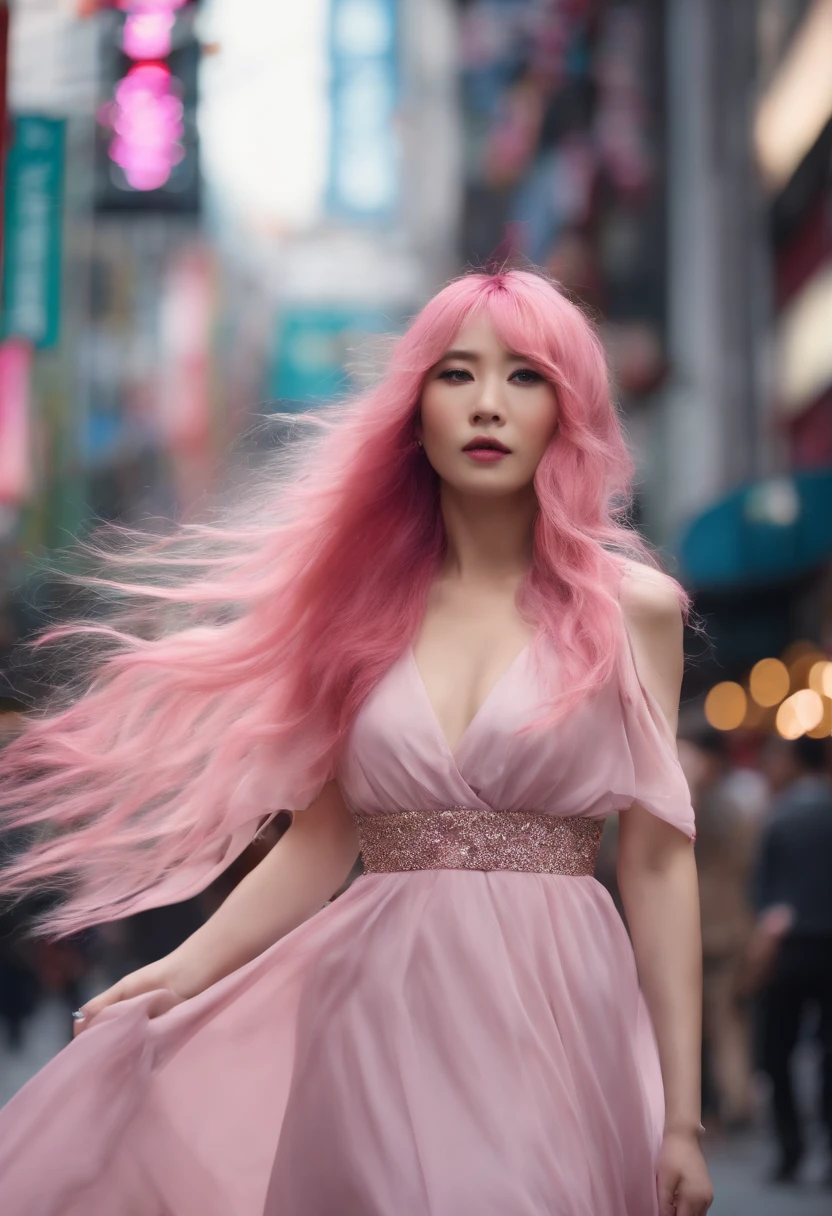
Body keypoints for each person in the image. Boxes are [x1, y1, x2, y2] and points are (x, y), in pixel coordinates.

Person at [0, 269, 713, 1216]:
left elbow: (661, 864)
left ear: (567, 411)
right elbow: (322, 840)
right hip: (374, 1003)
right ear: (414, 411)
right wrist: (180, 971)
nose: (488, 405)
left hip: (555, 1009)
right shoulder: (357, 612)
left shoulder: (636, 612)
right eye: (456, 375)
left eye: (526, 377)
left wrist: (682, 1118)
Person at [753, 734, 832, 1185]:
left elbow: (763, 891)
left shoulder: (779, 816)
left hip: (787, 949)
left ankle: (790, 1149)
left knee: (778, 1051)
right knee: (828, 1053)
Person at [685, 730, 761, 1131]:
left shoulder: (712, 804)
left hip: (710, 925)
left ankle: (730, 1102)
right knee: (722, 1019)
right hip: (724, 924)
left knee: (718, 1018)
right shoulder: (734, 805)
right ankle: (729, 1101)